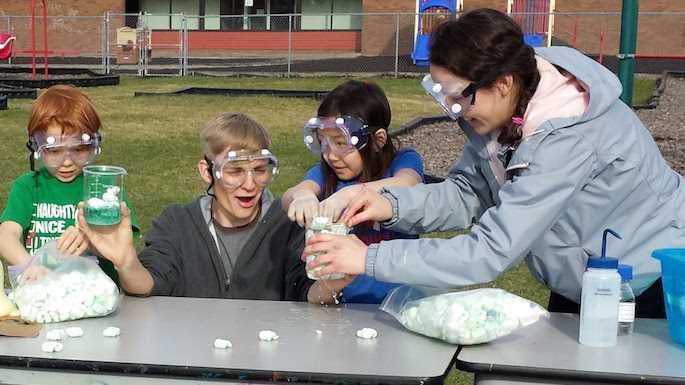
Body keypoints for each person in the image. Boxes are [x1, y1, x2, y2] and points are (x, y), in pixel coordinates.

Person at [303, 9, 684, 317]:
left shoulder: (569, 136)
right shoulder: (505, 111)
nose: (455, 112)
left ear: (502, 83)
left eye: (458, 97)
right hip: (588, 280)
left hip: (654, 280)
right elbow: (468, 193)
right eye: (443, 98)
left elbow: (488, 252)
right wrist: (389, 203)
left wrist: (367, 257)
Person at [78, 112, 347, 303]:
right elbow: (149, 284)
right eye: (235, 171)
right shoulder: (176, 224)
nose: (250, 184)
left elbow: (309, 293)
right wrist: (126, 261)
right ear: (207, 172)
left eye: (259, 170)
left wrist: (338, 275)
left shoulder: (286, 226)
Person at [282, 80, 424, 303]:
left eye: (341, 143)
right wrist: (302, 196)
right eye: (324, 143)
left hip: (401, 304)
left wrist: (350, 194)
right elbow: (293, 194)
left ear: (377, 141)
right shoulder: (325, 174)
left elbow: (409, 184)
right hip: (344, 306)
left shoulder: (402, 162)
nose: (331, 155)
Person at [0, 84, 139, 283]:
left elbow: (121, 243)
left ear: (94, 146)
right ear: (37, 147)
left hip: (96, 297)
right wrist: (30, 265)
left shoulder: (103, 188)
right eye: (55, 151)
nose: (67, 162)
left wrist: (92, 241)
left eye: (79, 150)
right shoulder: (29, 187)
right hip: (44, 296)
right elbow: (6, 235)